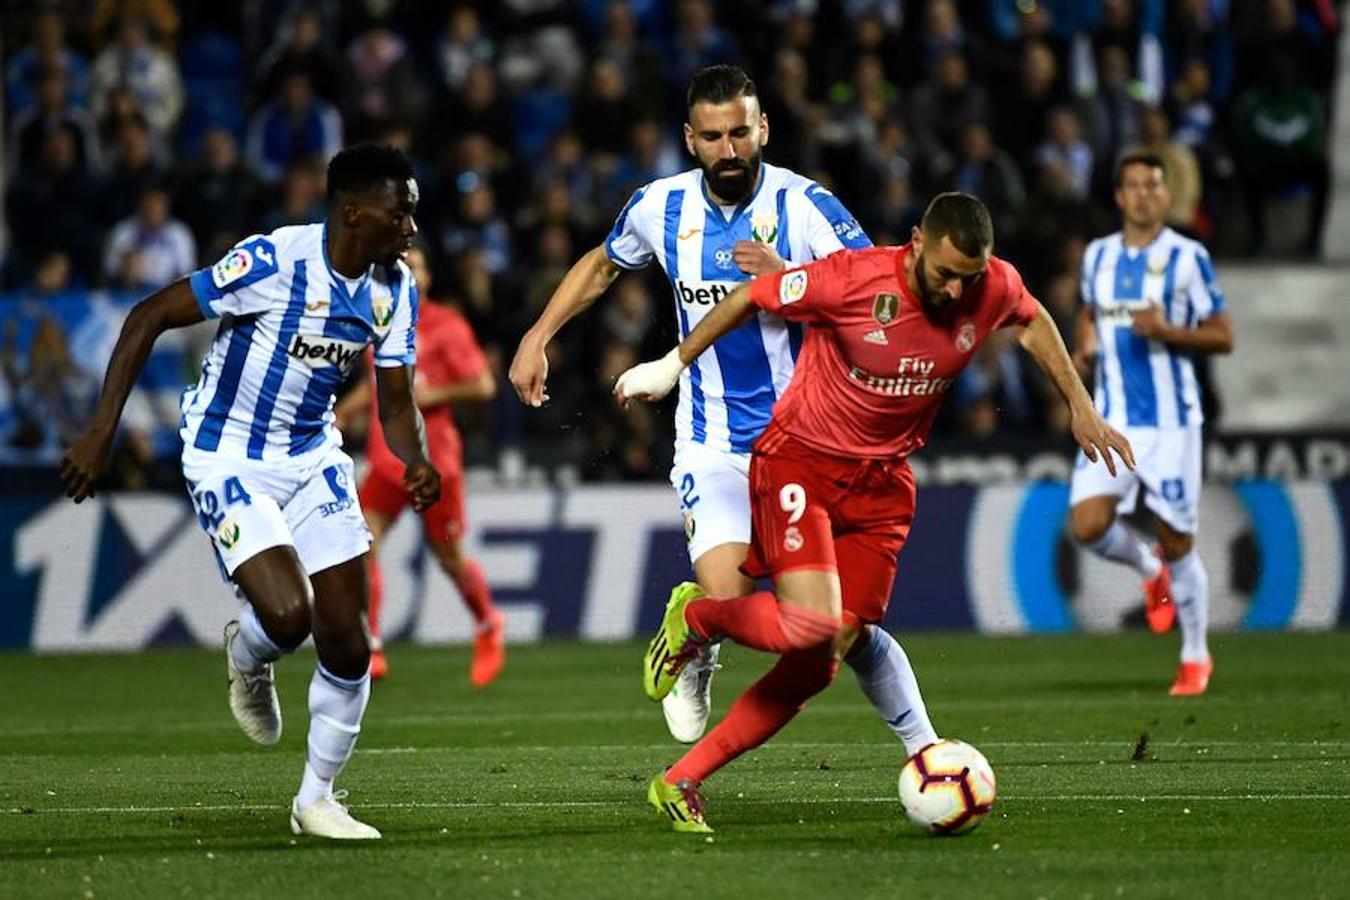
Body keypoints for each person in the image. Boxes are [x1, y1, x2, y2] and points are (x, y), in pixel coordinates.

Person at [615, 192, 1134, 832]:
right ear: (916, 242)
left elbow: (1031, 319)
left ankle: (681, 780)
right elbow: (754, 295)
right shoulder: (853, 278)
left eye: (969, 278)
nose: (955, 290)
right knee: (809, 624)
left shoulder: (989, 287)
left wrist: (1080, 404)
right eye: (945, 273)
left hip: (883, 484)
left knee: (829, 650)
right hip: (800, 462)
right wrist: (673, 365)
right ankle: (695, 617)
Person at [509, 66, 937, 754]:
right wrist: (538, 335)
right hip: (713, 445)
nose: (729, 149)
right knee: (740, 596)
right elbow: (602, 264)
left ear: (763, 127)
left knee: (834, 627)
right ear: (690, 139)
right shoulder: (660, 207)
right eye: (713, 137)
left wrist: (796, 282)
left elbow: (882, 300)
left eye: (741, 132)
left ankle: (925, 748)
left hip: (810, 447)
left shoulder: (807, 209)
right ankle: (701, 634)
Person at [59, 144, 434, 840]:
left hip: (311, 456)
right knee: (289, 618)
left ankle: (317, 800)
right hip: (226, 453)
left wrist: (416, 458)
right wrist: (100, 431)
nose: (411, 228)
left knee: (348, 641)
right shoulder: (272, 262)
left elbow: (395, 400)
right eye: (400, 213)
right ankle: (248, 654)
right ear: (354, 212)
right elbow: (148, 315)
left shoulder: (394, 287)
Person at [1068, 153, 1234, 696]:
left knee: (1178, 538)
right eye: (1134, 186)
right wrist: (1086, 342)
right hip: (1111, 416)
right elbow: (1090, 311)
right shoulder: (1098, 255)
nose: (1144, 195)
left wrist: (1168, 332)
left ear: (1166, 196)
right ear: (1119, 196)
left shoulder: (1188, 258)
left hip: (1171, 425)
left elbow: (1223, 335)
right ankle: (1148, 570)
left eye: (1153, 186)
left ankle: (1194, 657)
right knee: (1087, 524)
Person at [336, 244, 503, 685]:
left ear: (428, 278)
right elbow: (378, 385)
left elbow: (484, 385)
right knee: (361, 544)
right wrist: (346, 410)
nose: (409, 274)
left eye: (417, 267)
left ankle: (487, 624)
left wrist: (436, 394)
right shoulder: (379, 322)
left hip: (433, 464)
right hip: (386, 464)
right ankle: (371, 644)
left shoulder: (446, 326)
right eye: (400, 267)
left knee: (450, 558)